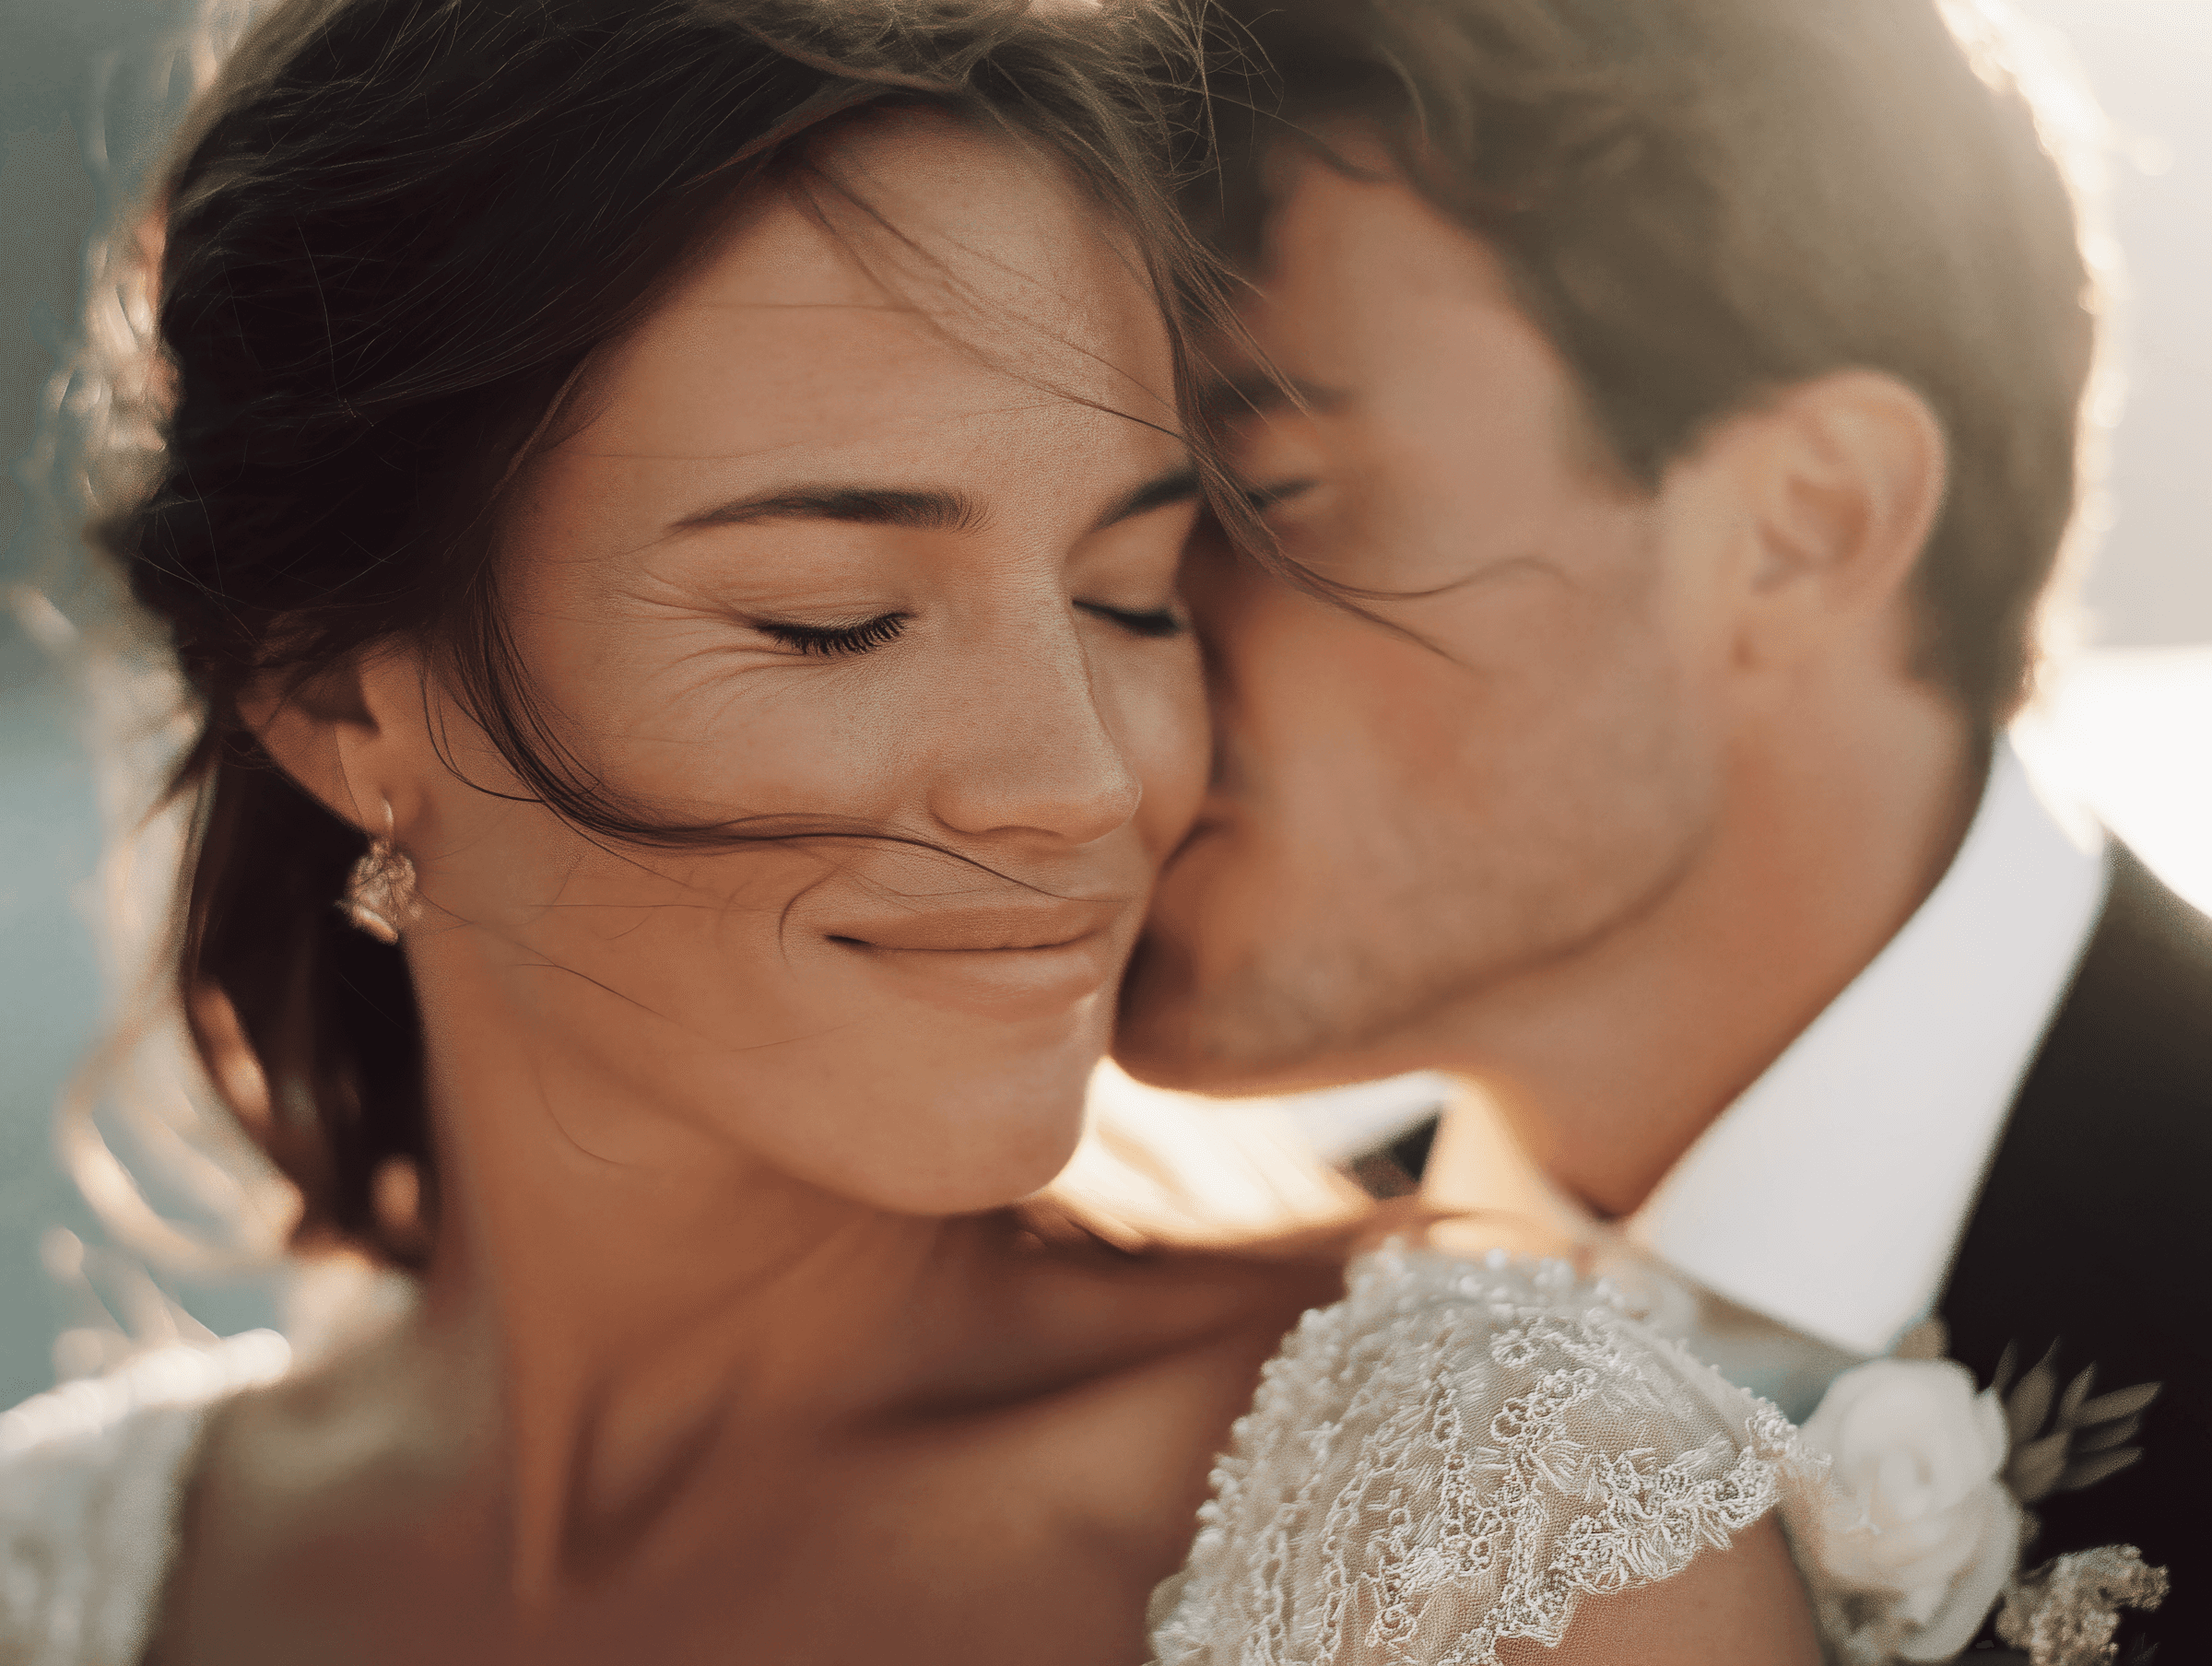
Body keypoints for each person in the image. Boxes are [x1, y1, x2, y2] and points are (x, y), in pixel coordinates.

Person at [0, 0, 1826, 1660]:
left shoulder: (1497, 1536)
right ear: (339, 697)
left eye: (1131, 594)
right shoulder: (59, 1568)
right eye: (837, 620)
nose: (1086, 781)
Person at [1116, 0, 2202, 1653]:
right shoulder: (1186, 1377)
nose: (1111, 651)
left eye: (1265, 499)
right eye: (1112, 527)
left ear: (1802, 525)